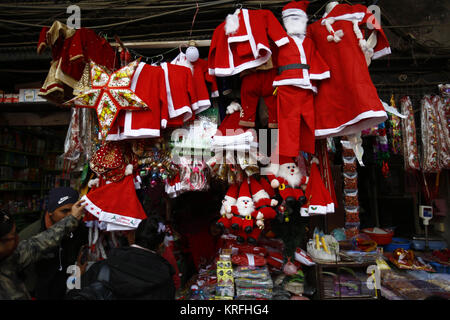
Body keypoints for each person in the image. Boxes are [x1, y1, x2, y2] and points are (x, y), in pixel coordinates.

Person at [68, 215, 175, 300]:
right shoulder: (165, 280)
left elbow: (72, 294)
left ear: (133, 237)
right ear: (161, 246)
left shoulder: (104, 267)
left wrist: (76, 276)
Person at [0, 200, 86, 300]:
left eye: (16, 233)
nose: (17, 239)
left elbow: (41, 242)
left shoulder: (10, 256)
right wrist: (76, 281)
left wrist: (72, 219)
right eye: (11, 238)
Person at [18, 187, 88, 299]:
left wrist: (75, 280)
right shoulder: (30, 237)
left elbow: (75, 270)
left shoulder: (79, 231)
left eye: (74, 210)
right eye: (65, 211)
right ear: (50, 211)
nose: (71, 215)